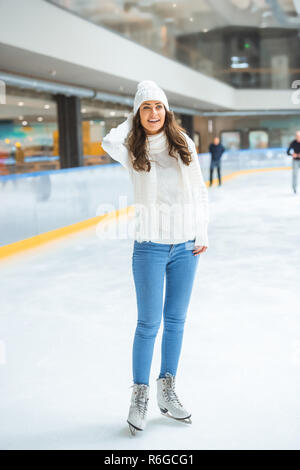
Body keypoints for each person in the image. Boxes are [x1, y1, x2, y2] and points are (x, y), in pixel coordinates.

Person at [101, 80, 209, 435]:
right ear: (137, 114)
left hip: (185, 247)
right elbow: (108, 141)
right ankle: (140, 395)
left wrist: (201, 232)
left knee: (176, 321)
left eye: (158, 106)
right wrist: (132, 118)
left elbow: (200, 192)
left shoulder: (184, 144)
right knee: (148, 324)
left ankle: (167, 390)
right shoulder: (133, 148)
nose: (153, 113)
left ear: (167, 111)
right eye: (145, 108)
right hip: (149, 245)